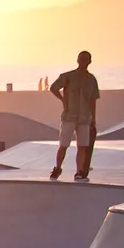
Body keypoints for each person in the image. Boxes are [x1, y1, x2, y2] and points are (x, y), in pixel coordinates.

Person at [48, 51, 100, 181]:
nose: (84, 61)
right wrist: (63, 100)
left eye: (86, 59)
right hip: (69, 116)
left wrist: (93, 118)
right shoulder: (68, 76)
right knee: (64, 144)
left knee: (82, 146)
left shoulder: (91, 79)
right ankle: (57, 168)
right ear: (78, 60)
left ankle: (79, 172)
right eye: (82, 59)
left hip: (84, 118)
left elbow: (93, 100)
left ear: (90, 61)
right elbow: (54, 87)